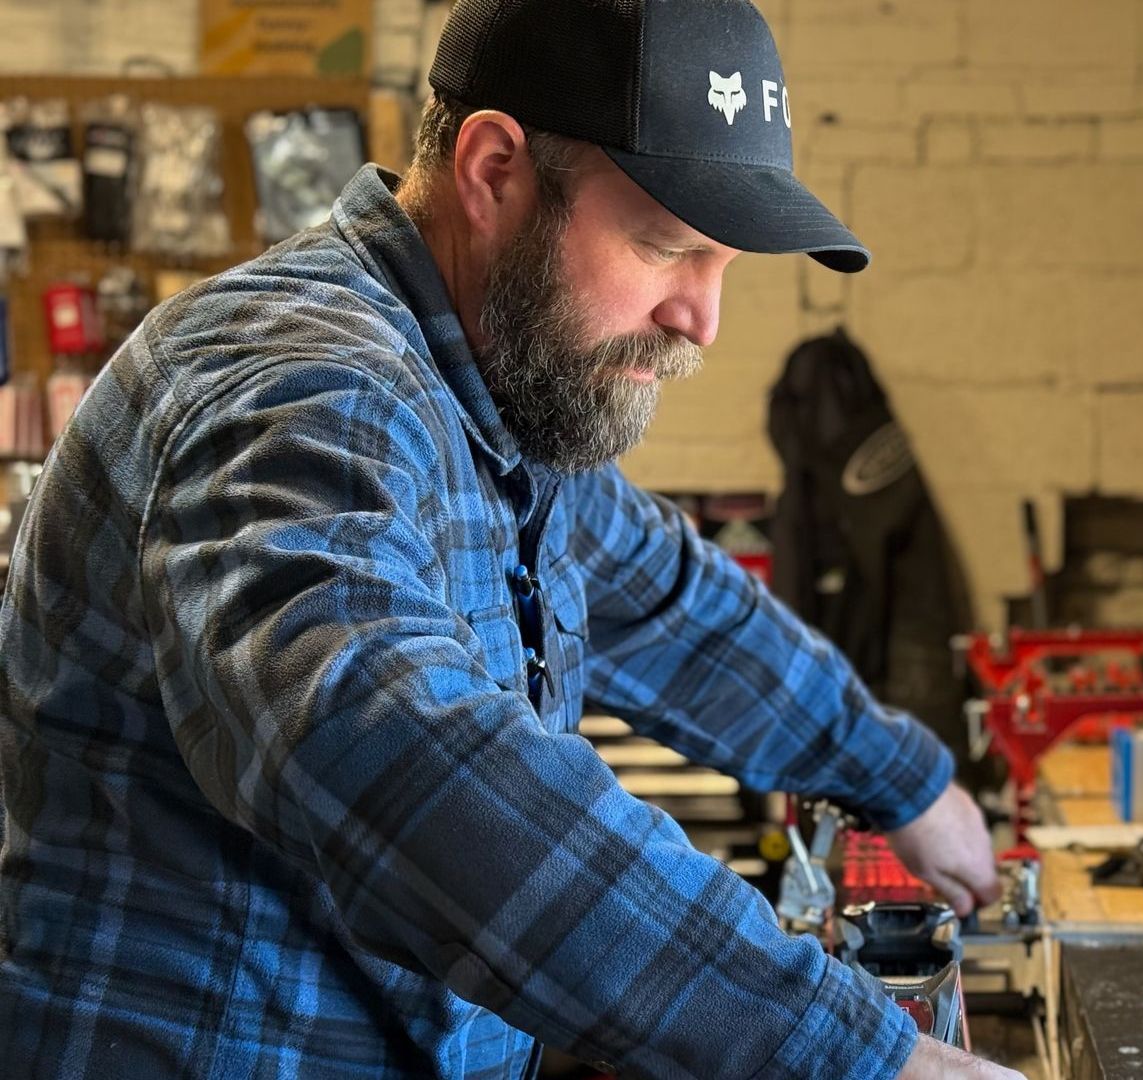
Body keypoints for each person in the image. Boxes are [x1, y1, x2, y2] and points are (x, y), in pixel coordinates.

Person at [0, 1, 1024, 1077]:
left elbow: (666, 599)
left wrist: (905, 782)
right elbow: (389, 741)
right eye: (667, 247)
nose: (702, 320)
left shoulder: (492, 400)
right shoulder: (307, 384)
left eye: (723, 266)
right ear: (493, 170)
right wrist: (852, 1053)